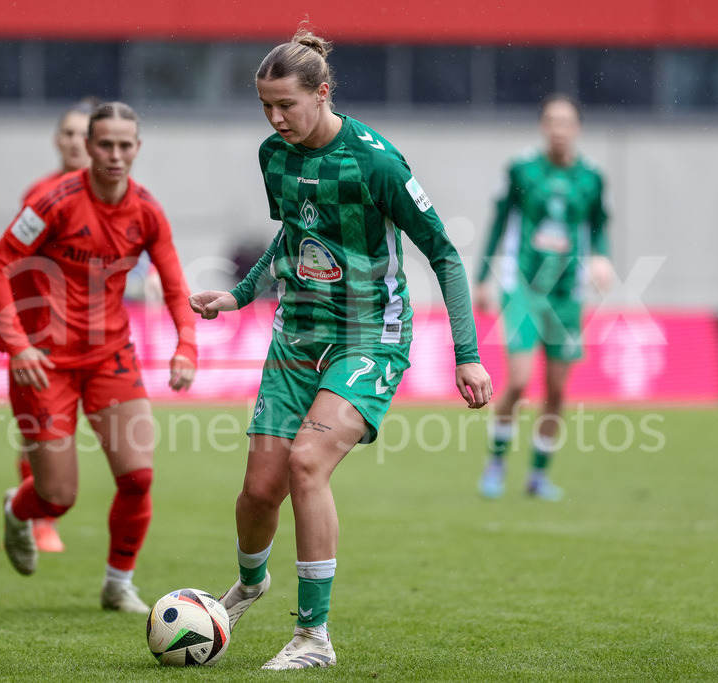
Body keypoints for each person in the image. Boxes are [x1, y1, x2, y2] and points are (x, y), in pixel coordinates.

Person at [189, 29, 492, 670]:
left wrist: (466, 351)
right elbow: (292, 237)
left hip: (368, 339)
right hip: (295, 338)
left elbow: (443, 254)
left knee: (306, 464)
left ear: (322, 92)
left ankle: (312, 637)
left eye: (286, 106)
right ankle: (248, 584)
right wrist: (241, 296)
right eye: (265, 107)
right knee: (257, 492)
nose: (275, 119)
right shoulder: (275, 154)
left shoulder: (378, 162)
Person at [0, 101, 198, 613]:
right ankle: (17, 509)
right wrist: (18, 344)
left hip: (109, 356)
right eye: (106, 145)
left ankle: (118, 583)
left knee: (138, 476)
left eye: (126, 145)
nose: (116, 155)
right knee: (57, 498)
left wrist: (186, 343)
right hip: (43, 361)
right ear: (88, 146)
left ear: (137, 149)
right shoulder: (54, 202)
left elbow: (172, 283)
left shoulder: (146, 210)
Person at [0, 98, 98, 553]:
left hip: (89, 332)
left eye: (85, 133)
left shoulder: (113, 193)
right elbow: (22, 251)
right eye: (70, 133)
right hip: (38, 325)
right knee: (45, 429)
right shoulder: (42, 191)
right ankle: (37, 519)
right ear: (57, 139)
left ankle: (32, 507)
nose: (77, 142)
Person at [473, 93, 613, 501]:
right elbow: (499, 221)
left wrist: (602, 255)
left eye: (566, 122)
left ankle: (537, 475)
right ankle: (496, 461)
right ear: (542, 126)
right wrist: (483, 278)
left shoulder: (592, 177)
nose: (559, 129)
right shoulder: (522, 170)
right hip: (523, 289)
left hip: (567, 294)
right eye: (552, 121)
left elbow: (600, 224)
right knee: (517, 380)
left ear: (578, 128)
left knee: (557, 391)